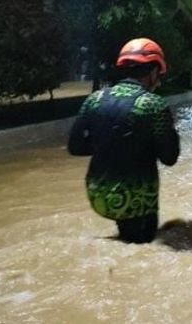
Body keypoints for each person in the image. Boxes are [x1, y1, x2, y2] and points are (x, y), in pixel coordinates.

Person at [67, 38, 180, 244]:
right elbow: (170, 157)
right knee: (144, 246)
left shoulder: (95, 99)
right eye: (159, 75)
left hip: (98, 194)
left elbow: (74, 147)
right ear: (153, 72)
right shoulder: (154, 104)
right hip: (135, 199)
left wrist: (110, 143)